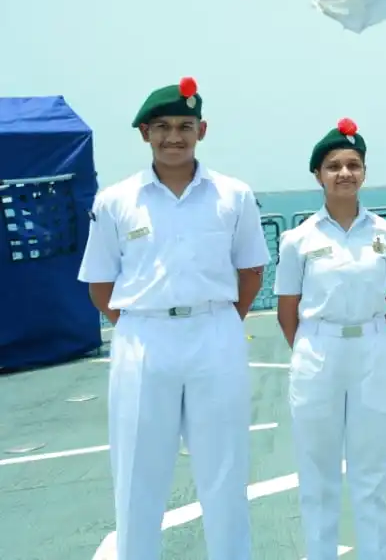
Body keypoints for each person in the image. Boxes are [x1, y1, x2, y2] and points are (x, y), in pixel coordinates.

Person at [77, 76, 269, 560]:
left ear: (202, 130)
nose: (174, 137)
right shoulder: (116, 201)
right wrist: (145, 325)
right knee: (139, 472)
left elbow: (251, 271)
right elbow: (101, 283)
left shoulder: (234, 195)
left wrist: (217, 320)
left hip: (215, 332)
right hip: (143, 337)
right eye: (161, 127)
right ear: (144, 134)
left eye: (185, 126)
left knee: (225, 469)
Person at [274, 117, 386, 560]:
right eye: (334, 166)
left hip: (372, 349)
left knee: (371, 475)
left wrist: (365, 338)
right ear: (318, 174)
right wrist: (319, 343)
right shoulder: (297, 239)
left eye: (353, 164)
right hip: (317, 351)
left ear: (365, 172)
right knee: (318, 476)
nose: (345, 173)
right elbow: (287, 310)